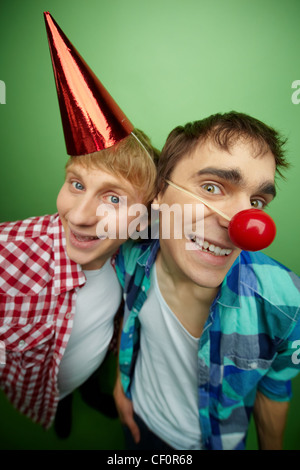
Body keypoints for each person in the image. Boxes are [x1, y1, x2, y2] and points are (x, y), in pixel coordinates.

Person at [0, 12, 159, 437]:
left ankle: (88, 392)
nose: (80, 214)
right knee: (59, 399)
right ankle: (60, 406)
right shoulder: (11, 255)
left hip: (94, 360)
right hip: (43, 388)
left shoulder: (132, 250)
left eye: (113, 197)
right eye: (76, 183)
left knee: (88, 378)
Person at [113, 111, 300, 450]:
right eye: (212, 187)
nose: (241, 225)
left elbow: (275, 389)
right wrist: (119, 385)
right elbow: (127, 320)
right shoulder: (129, 256)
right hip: (139, 421)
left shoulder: (286, 305)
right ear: (159, 192)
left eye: (257, 202)